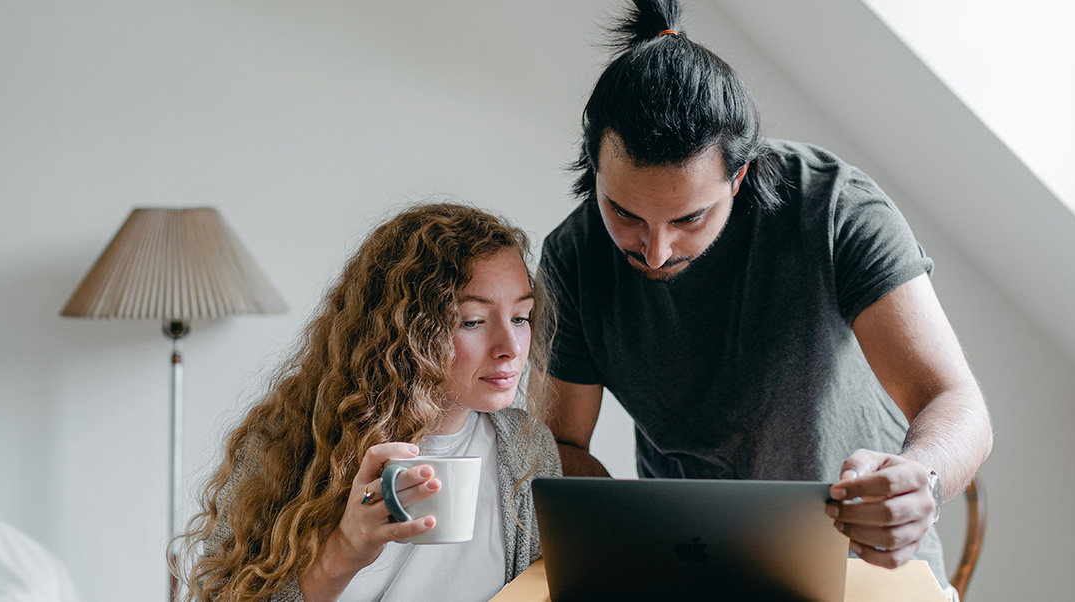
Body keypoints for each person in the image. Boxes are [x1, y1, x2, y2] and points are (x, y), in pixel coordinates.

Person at [539, 0, 993, 590]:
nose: (654, 250)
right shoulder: (573, 258)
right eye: (624, 213)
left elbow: (957, 402)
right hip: (692, 568)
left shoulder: (834, 209)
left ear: (739, 176)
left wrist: (920, 479)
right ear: (592, 169)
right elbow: (560, 444)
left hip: (866, 565)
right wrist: (624, 534)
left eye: (689, 218)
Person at [177, 203, 562, 602]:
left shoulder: (527, 447)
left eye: (521, 317)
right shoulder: (289, 447)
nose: (511, 348)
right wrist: (344, 551)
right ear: (408, 331)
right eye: (472, 321)